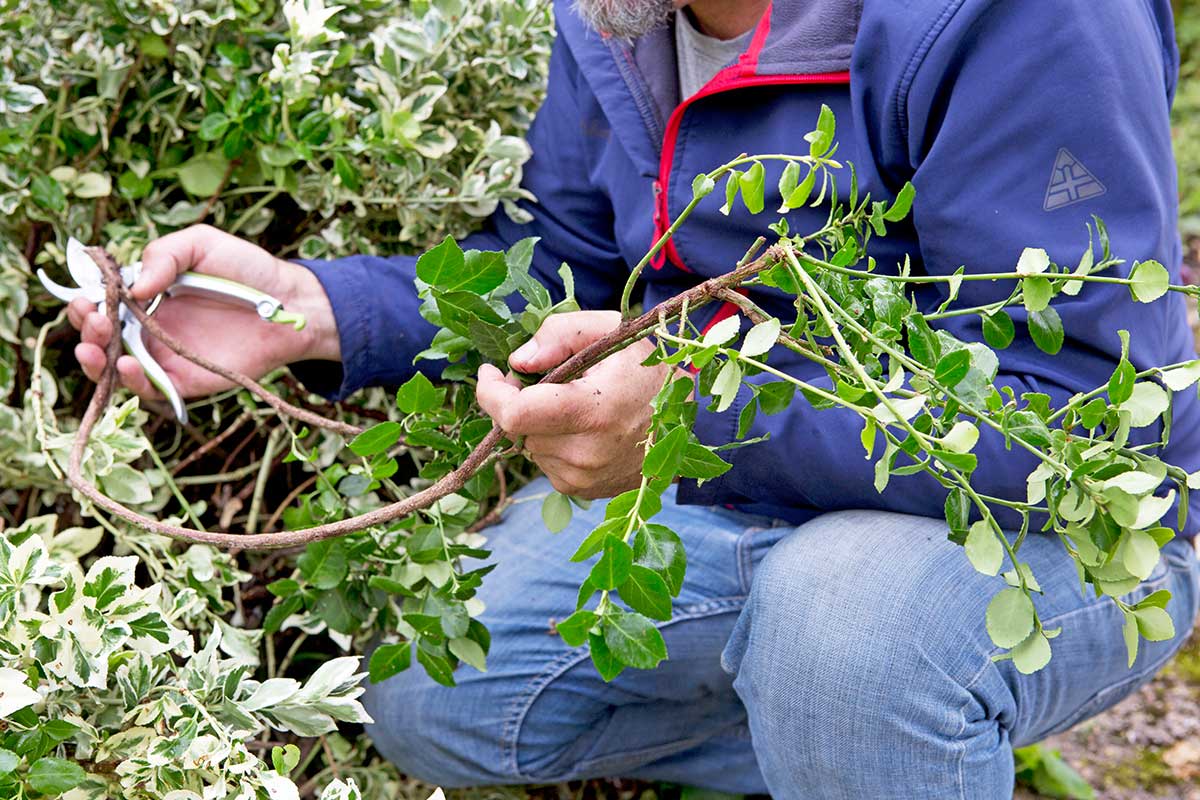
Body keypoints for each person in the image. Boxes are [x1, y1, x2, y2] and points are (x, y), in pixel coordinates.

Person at [70, 0, 1200, 796]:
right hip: (762, 491)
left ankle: (872, 710)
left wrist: (704, 412)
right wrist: (311, 310)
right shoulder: (624, 13)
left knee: (848, 634)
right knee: (429, 683)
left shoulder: (1022, 13)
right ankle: (880, 743)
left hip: (1062, 519)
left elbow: (1082, 412)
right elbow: (564, 257)